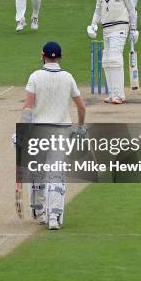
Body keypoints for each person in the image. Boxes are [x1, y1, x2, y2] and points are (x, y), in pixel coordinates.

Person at [21, 41, 86, 230]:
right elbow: (81, 106)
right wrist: (80, 127)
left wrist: (22, 131)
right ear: (60, 57)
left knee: (37, 173)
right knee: (55, 175)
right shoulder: (68, 77)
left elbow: (28, 107)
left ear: (42, 55)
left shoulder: (35, 76)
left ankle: (39, 211)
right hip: (60, 132)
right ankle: (53, 218)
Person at [86, 0, 138, 104]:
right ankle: (111, 93)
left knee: (115, 59)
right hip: (106, 29)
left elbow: (132, 10)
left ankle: (119, 95)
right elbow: (98, 11)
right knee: (107, 61)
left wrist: (134, 29)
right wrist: (93, 25)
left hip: (120, 27)